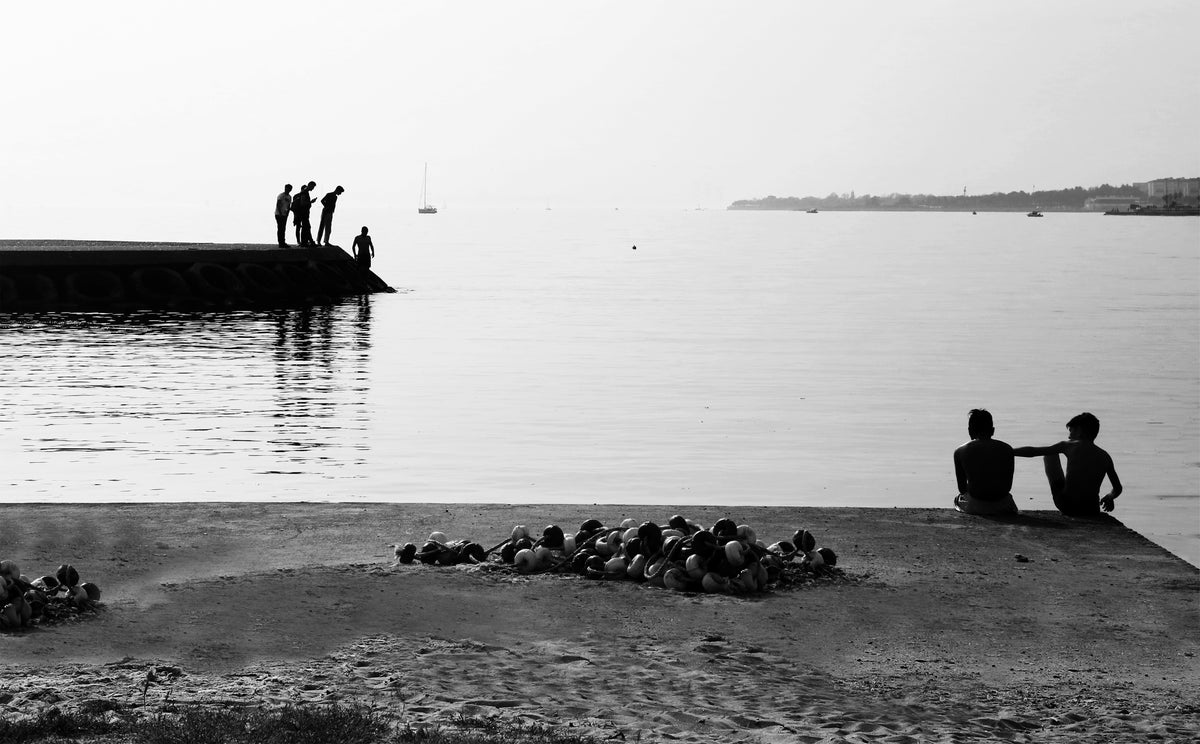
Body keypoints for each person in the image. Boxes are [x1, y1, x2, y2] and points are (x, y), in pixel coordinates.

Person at [1014, 412, 1123, 517]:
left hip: (1068, 506)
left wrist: (1010, 452)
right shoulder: (1105, 456)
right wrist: (1110, 497)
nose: (1069, 437)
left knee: (1050, 455)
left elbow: (1033, 451)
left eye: (1071, 431)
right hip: (1091, 509)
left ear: (1079, 431)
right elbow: (1117, 488)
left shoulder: (1069, 446)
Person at [953, 408, 1018, 515]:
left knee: (958, 498)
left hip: (975, 506)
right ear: (992, 430)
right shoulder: (1007, 449)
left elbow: (962, 489)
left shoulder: (960, 451)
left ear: (969, 430)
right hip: (1003, 505)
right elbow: (1007, 486)